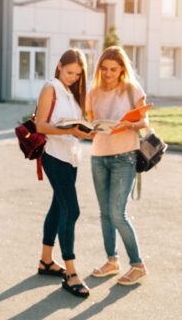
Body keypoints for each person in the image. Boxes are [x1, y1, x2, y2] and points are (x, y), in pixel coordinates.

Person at [34, 48, 94, 298]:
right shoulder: (51, 88)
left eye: (78, 75)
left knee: (59, 207)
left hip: (70, 157)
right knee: (72, 209)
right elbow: (40, 125)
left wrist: (87, 131)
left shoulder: (70, 92)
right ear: (59, 66)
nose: (73, 77)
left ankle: (46, 261)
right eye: (70, 72)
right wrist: (72, 132)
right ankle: (71, 272)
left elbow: (74, 124)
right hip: (53, 155)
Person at [87, 46, 148, 286]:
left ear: (122, 68)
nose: (109, 73)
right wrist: (90, 128)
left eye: (114, 69)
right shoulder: (93, 92)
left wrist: (125, 126)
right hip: (99, 155)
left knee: (117, 214)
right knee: (104, 214)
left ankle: (138, 264)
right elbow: (91, 122)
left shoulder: (131, 89)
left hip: (125, 156)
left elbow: (144, 121)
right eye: (105, 69)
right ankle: (112, 261)